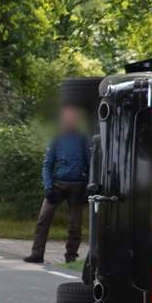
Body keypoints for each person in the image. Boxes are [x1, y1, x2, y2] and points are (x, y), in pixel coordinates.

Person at [25, 106, 91, 264]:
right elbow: (47, 164)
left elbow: (90, 163)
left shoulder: (82, 138)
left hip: (77, 185)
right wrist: (48, 187)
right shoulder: (56, 138)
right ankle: (37, 253)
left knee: (75, 224)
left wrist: (88, 185)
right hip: (57, 184)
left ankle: (71, 256)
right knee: (43, 218)